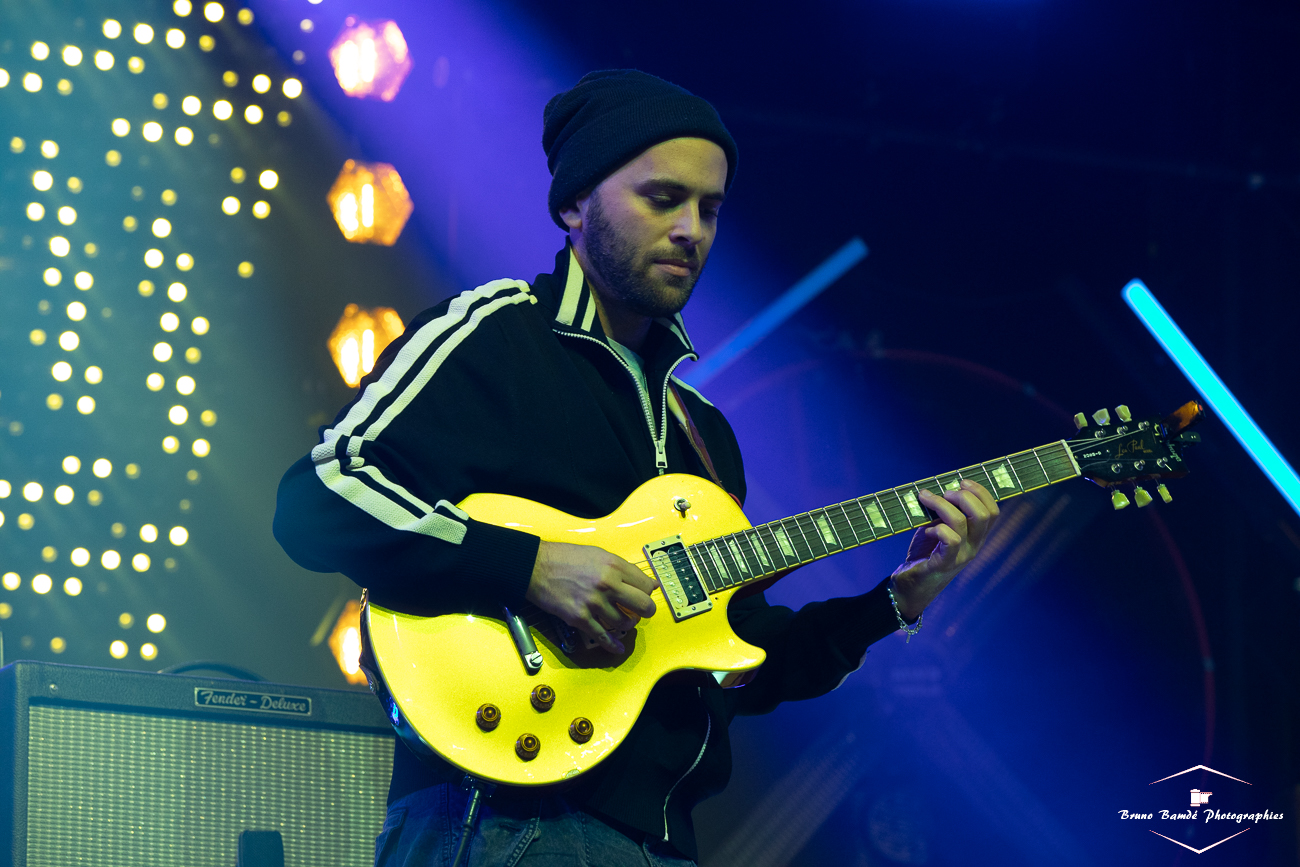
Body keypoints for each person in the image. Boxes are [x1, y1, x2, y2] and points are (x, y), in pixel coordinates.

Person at [274, 69, 999, 867]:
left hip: (661, 840)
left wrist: (896, 600)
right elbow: (317, 496)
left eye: (710, 209)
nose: (691, 230)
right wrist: (530, 565)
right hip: (508, 820)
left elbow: (739, 664)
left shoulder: (703, 433)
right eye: (663, 198)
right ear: (575, 204)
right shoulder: (497, 334)